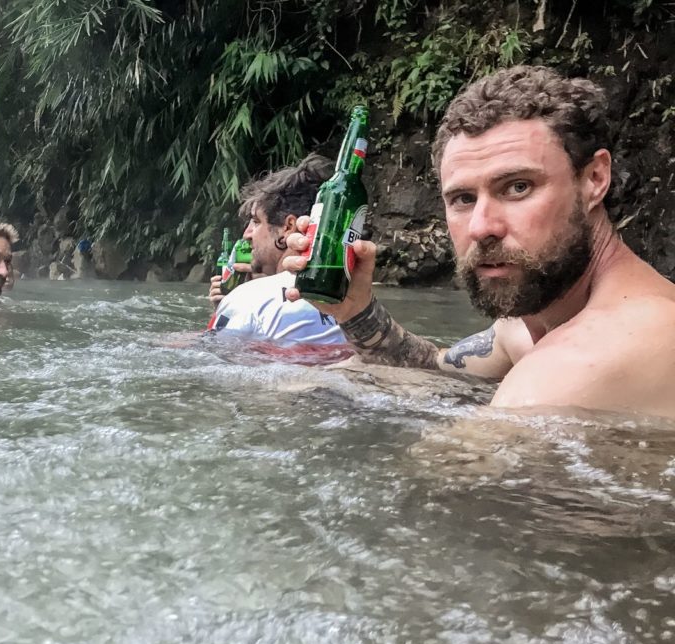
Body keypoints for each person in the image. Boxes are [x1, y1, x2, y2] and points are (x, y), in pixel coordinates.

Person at [282, 65, 675, 419]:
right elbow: (436, 367)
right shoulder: (529, 326)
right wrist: (355, 310)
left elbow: (431, 491)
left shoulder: (580, 363)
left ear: (594, 179)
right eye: (463, 199)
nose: (481, 227)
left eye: (518, 187)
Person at [207, 154, 348, 348]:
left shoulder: (249, 299)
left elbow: (211, 353)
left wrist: (228, 308)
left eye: (256, 222)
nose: (247, 234)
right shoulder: (357, 303)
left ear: (288, 227)